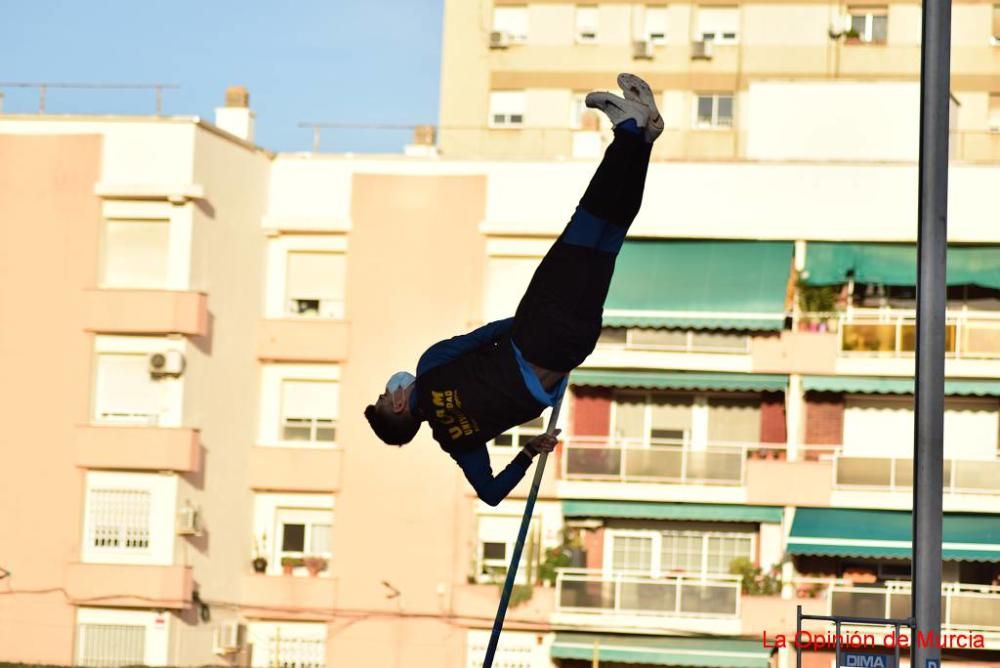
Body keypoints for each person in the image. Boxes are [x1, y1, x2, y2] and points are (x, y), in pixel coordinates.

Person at [364, 73, 663, 506]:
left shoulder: (458, 442)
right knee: (587, 227)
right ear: (396, 404)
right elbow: (489, 334)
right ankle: (630, 132)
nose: (391, 387)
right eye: (385, 393)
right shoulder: (428, 368)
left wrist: (526, 452)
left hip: (574, 347)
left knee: (607, 241)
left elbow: (489, 494)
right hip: (538, 329)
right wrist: (533, 315)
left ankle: (642, 138)